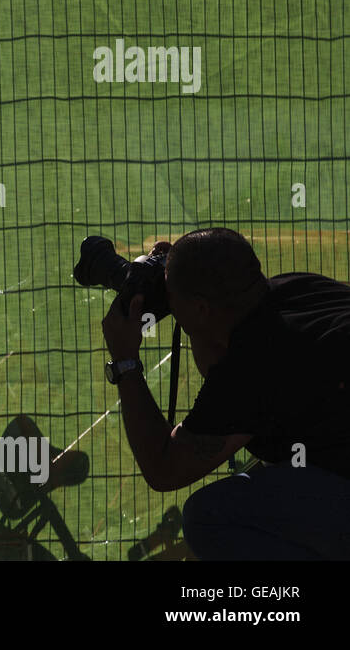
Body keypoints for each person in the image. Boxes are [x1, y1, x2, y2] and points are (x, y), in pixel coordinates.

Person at [99, 227, 350, 559]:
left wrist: (125, 362)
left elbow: (164, 469)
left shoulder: (252, 365)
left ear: (202, 309)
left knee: (209, 516)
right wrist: (183, 290)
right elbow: (223, 369)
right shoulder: (297, 286)